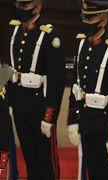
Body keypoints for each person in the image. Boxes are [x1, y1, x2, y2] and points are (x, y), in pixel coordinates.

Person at [67, 0, 108, 179]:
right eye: (85, 18)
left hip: (105, 122)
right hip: (86, 120)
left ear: (103, 21)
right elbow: (76, 86)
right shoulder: (82, 45)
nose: (86, 23)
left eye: (91, 19)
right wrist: (72, 118)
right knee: (92, 170)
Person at [7, 0, 66, 179]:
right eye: (19, 5)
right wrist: (7, 101)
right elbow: (8, 66)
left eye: (25, 6)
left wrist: (50, 116)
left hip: (39, 106)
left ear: (38, 7)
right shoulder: (15, 30)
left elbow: (57, 80)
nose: (21, 10)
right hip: (19, 104)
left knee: (46, 160)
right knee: (29, 158)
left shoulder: (49, 35)